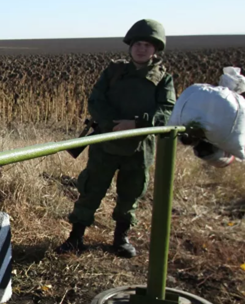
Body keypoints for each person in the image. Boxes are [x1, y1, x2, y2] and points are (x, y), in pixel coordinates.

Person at [57, 19, 176, 258]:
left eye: (147, 45)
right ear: (130, 46)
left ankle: (121, 238)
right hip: (106, 143)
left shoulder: (163, 78)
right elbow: (96, 101)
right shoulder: (113, 71)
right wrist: (112, 125)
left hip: (140, 146)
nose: (141, 49)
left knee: (130, 195)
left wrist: (136, 124)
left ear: (156, 49)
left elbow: (167, 109)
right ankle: (76, 237)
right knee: (91, 189)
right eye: (137, 44)